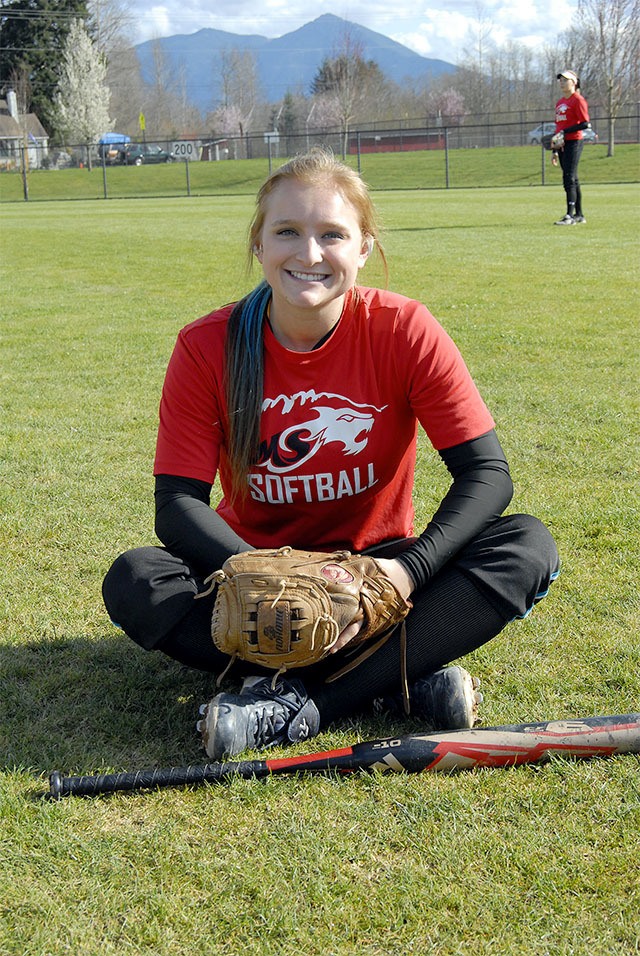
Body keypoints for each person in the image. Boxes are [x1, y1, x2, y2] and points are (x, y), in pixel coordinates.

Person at [102, 148, 559, 760]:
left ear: (363, 247)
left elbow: (487, 474)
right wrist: (269, 579)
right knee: (136, 579)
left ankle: (302, 702)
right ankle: (398, 675)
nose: (309, 254)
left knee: (526, 546)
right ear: (259, 244)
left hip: (377, 577)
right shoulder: (206, 345)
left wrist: (406, 571)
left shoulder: (403, 329)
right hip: (255, 577)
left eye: (333, 234)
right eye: (287, 231)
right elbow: (177, 502)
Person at [552, 70, 592, 225]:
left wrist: (565, 131)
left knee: (569, 177)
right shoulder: (560, 102)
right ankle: (579, 215)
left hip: (574, 142)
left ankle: (569, 216)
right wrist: (555, 149)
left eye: (565, 80)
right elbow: (558, 127)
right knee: (572, 178)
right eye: (560, 80)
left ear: (574, 83)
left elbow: (585, 124)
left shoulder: (578, 100)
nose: (562, 83)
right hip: (562, 143)